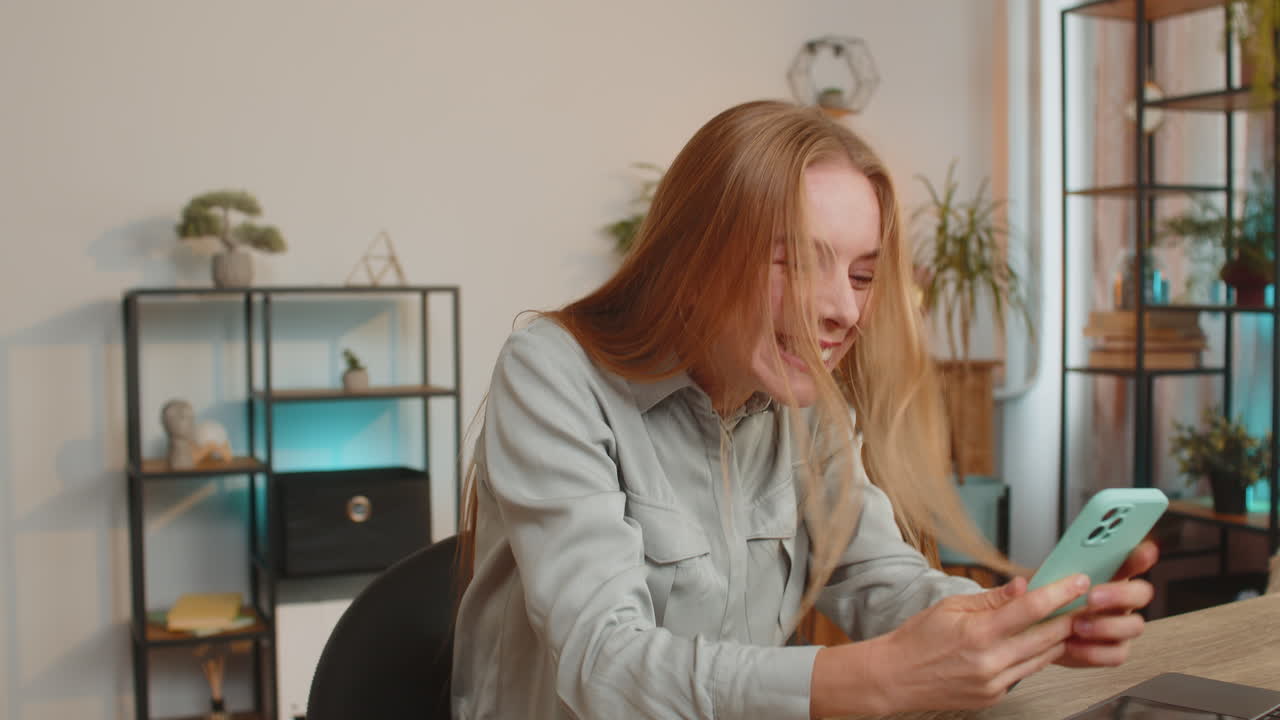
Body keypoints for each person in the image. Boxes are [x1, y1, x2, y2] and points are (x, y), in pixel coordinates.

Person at [451, 100, 1157, 720]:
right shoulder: (552, 374)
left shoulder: (806, 402)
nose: (844, 311)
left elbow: (881, 578)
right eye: (798, 262)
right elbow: (605, 665)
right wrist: (877, 677)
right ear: (691, 255)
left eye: (861, 275)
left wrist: (1010, 620)